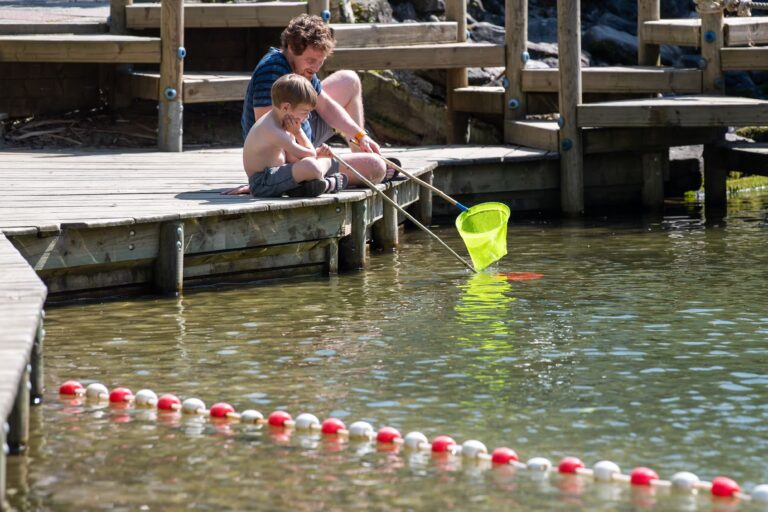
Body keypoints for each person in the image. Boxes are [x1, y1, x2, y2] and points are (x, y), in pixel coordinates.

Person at [226, 13, 399, 196]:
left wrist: (359, 135)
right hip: (284, 154)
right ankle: (334, 172)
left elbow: (325, 106)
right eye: (311, 61)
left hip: (300, 135)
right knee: (376, 167)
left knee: (349, 80)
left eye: (320, 62)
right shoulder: (272, 69)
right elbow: (269, 132)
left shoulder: (303, 69)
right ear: (292, 47)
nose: (316, 68)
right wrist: (280, 178)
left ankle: (358, 154)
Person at [244, 74, 385, 198]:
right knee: (311, 166)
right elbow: (309, 155)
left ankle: (307, 187)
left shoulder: (283, 120)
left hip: (279, 174)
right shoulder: (273, 130)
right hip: (262, 182)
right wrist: (302, 137)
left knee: (309, 164)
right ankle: (329, 181)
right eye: (305, 112)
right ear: (286, 107)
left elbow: (297, 156)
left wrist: (301, 138)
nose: (308, 116)